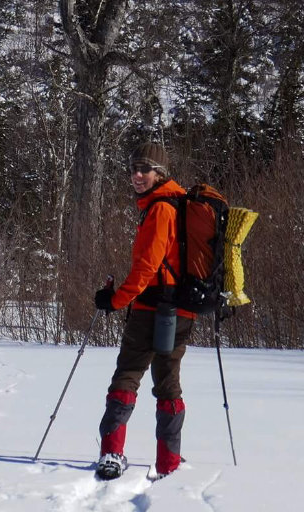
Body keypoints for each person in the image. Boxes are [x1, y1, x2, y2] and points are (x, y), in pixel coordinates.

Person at [92, 142, 193, 480]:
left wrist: (116, 299)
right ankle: (169, 463)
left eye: (145, 169)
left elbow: (147, 265)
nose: (137, 175)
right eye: (134, 168)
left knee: (128, 375)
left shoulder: (162, 208)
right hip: (180, 310)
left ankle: (111, 453)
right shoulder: (176, 205)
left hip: (152, 306)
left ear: (159, 173)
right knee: (167, 384)